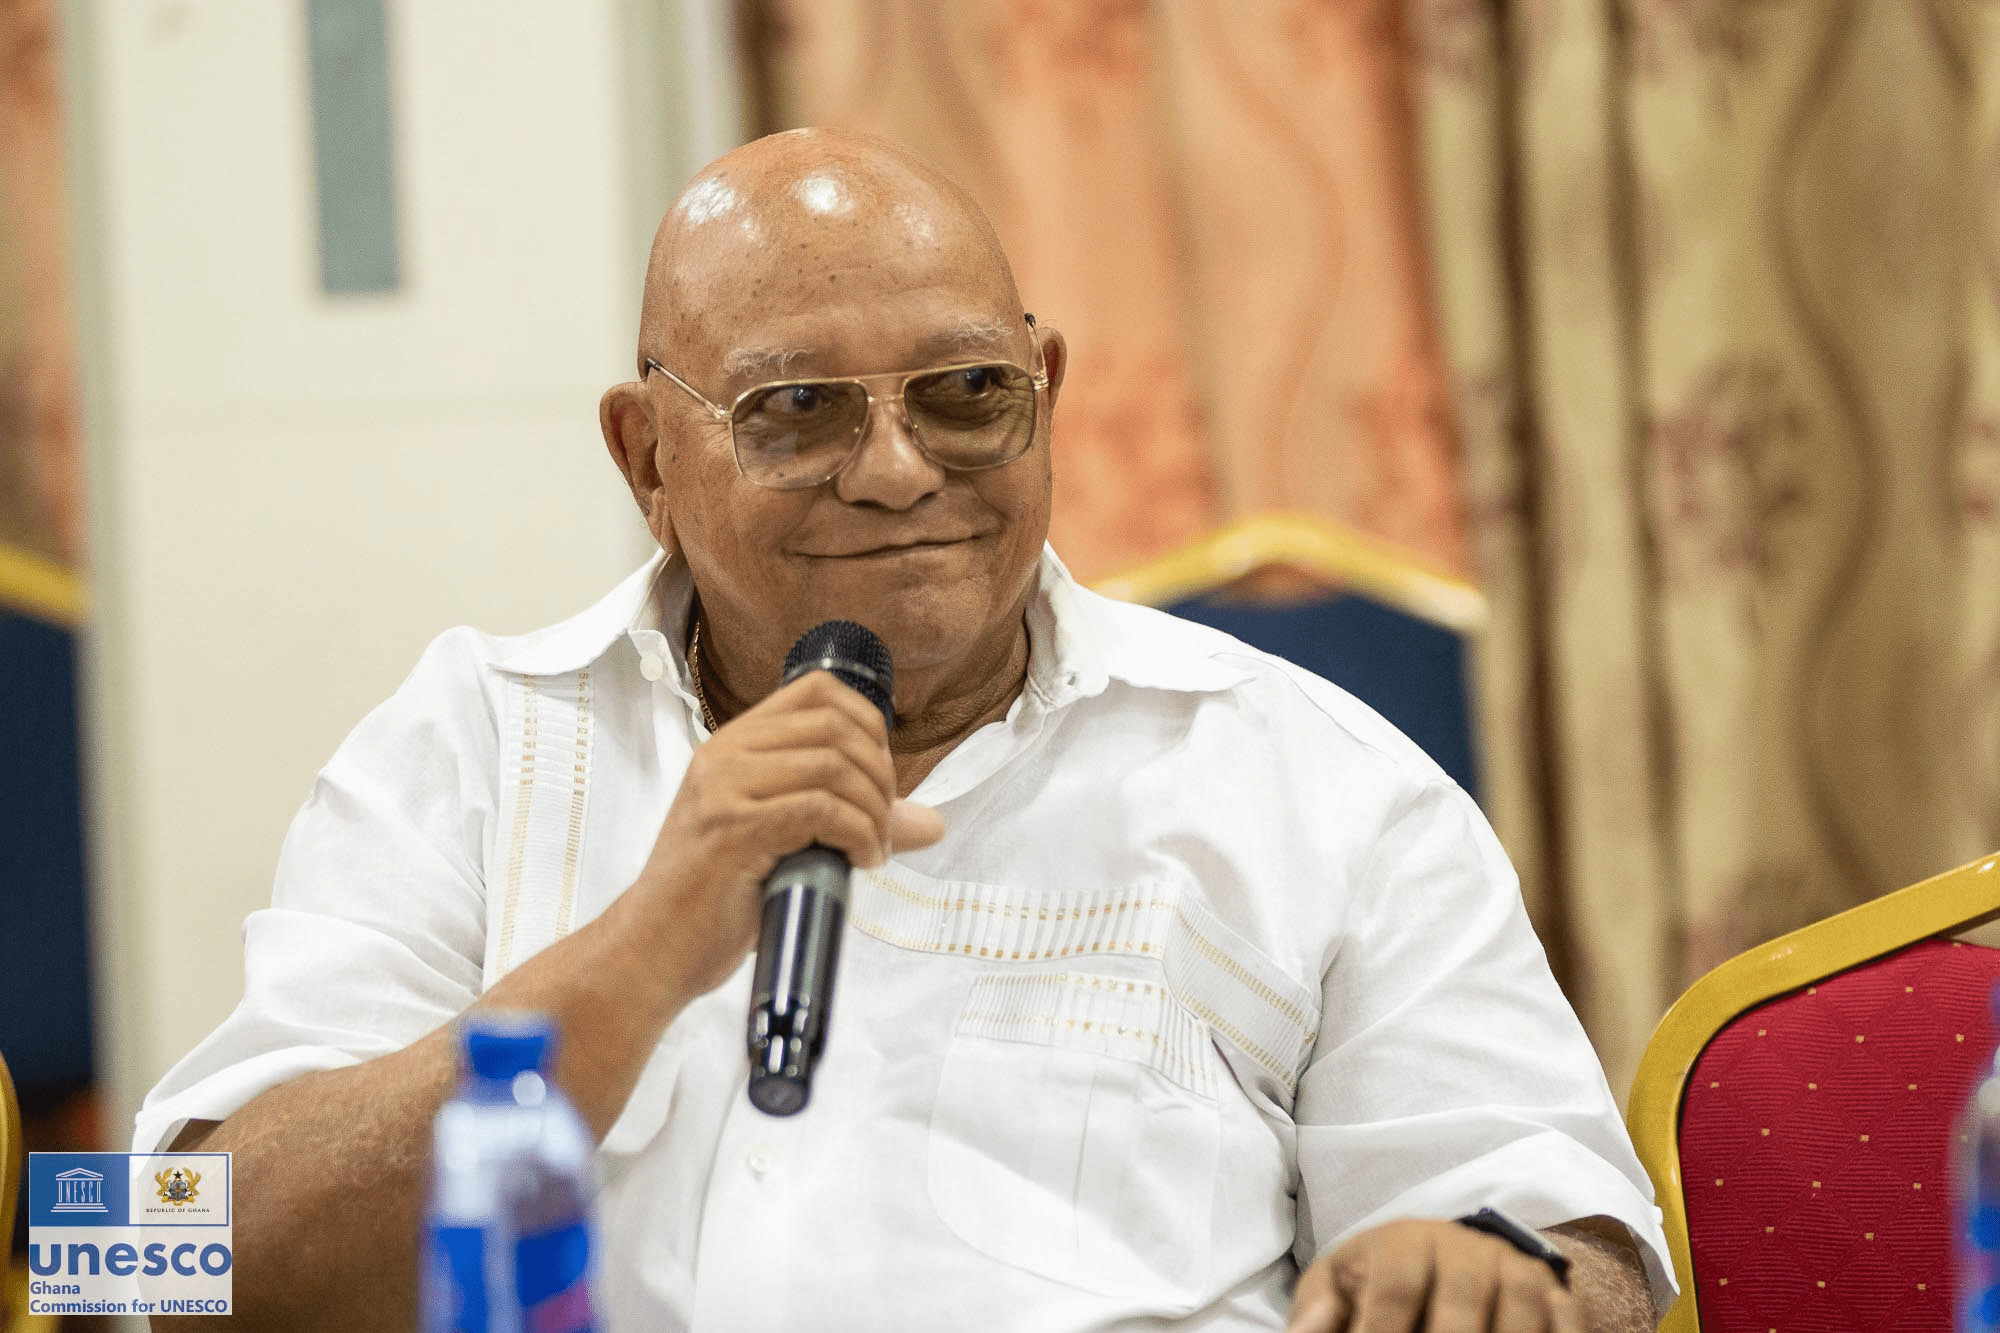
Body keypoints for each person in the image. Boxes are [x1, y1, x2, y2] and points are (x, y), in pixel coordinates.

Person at [136, 128, 1671, 1332]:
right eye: (796, 410)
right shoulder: (471, 746)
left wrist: (1493, 1278)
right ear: (646, 456)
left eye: (965, 394)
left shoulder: (1319, 783)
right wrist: (645, 947)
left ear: (1045, 392)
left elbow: (1585, 1253)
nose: (896, 469)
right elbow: (168, 1259)